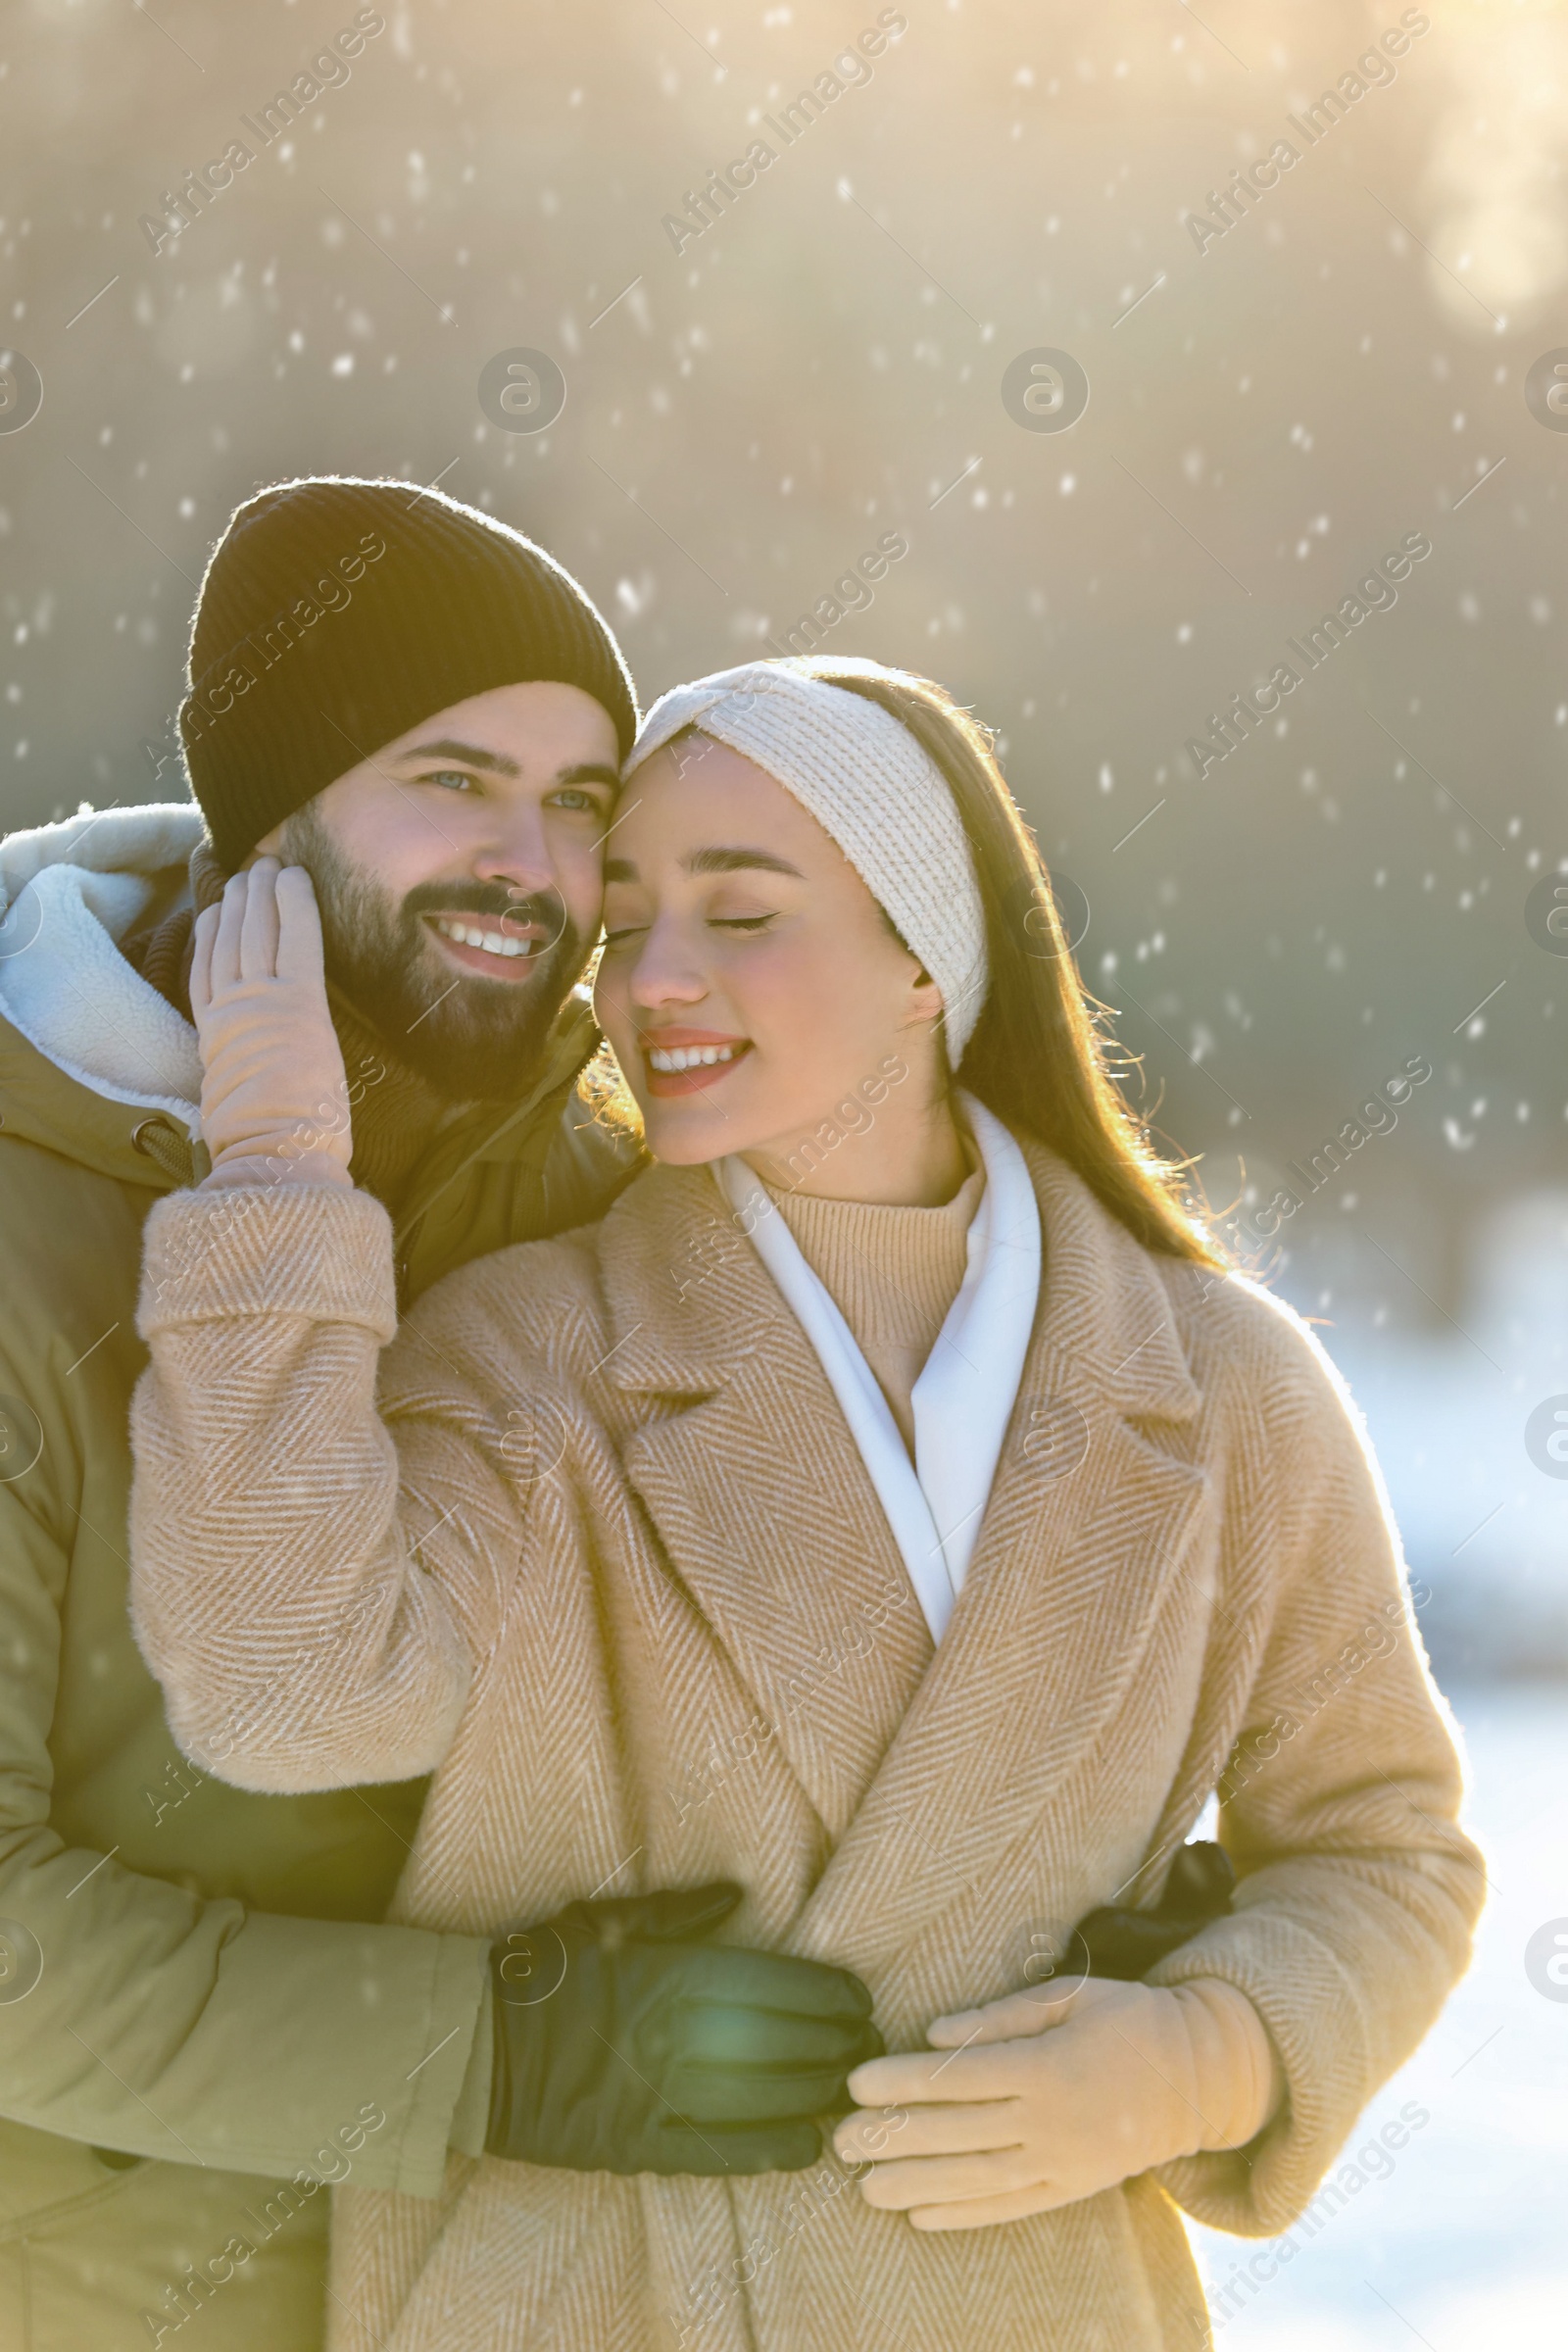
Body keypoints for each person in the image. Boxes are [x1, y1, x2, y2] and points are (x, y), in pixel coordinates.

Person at [127, 656, 1484, 2351]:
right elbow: (279, 1692)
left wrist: (1208, 2060)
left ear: (927, 955)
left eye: (740, 913)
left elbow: (1384, 1849)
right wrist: (271, 1181)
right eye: (624, 925)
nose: (653, 982)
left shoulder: (1227, 1391)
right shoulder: (531, 1349)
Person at [0, 474, 663, 2349]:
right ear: (266, 825)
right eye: (451, 781)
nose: (533, 862)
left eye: (581, 799)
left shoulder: (599, 1163)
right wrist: (498, 2062)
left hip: (542, 2286)